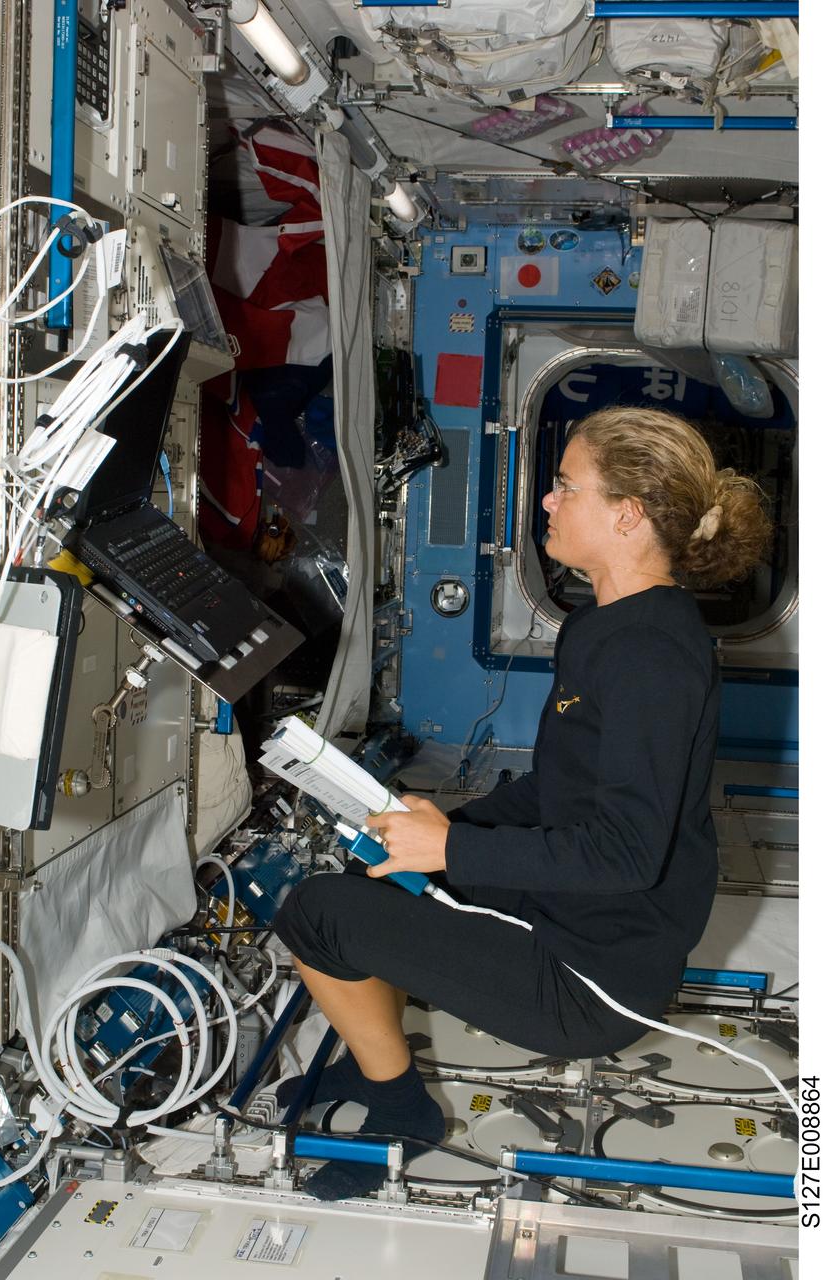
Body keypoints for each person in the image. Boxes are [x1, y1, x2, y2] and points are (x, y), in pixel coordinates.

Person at [273, 405, 771, 1201]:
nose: (546, 500)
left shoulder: (652, 658)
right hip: (574, 909)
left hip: (594, 974)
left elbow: (627, 854)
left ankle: (405, 1112)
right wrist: (439, 828)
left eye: (566, 486)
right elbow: (556, 789)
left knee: (315, 913)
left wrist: (450, 853)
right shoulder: (601, 626)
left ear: (626, 515)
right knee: (377, 873)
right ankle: (376, 1060)